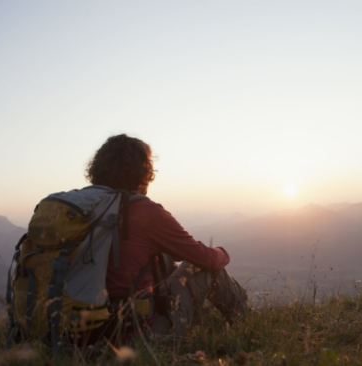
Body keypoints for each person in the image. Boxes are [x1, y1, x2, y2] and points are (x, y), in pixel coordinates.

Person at [84, 134, 247, 345]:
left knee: (165, 261)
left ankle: (210, 322)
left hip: (82, 334)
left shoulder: (81, 210)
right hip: (135, 336)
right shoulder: (143, 211)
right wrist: (222, 253)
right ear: (143, 171)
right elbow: (206, 259)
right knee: (199, 267)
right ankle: (247, 324)